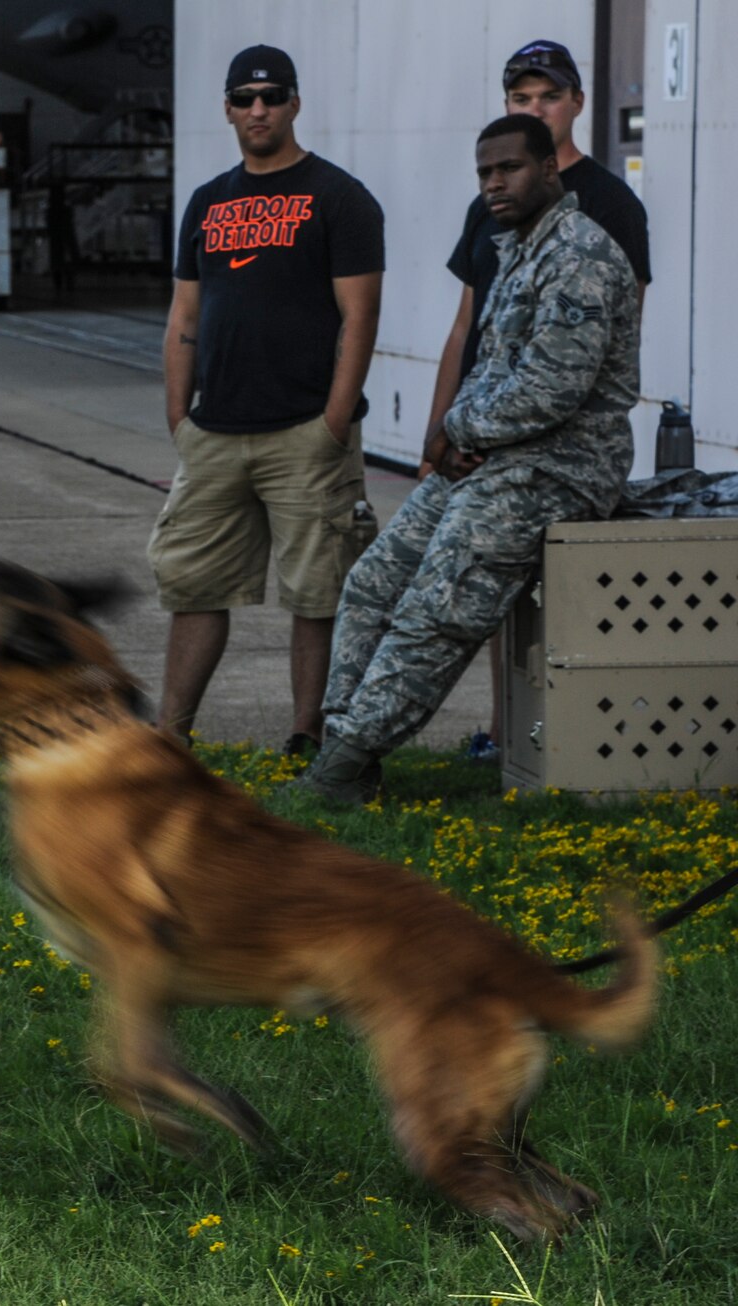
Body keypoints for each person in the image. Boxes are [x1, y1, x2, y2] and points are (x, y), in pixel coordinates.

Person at [299, 115, 640, 806]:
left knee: (437, 605)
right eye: (485, 172)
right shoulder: (514, 247)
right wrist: (456, 442)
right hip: (493, 459)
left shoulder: (579, 254)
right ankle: (346, 749)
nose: (494, 183)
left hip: (558, 470)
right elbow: (493, 369)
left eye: (509, 168)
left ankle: (339, 770)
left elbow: (552, 390)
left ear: (549, 170)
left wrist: (451, 427)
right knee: (372, 582)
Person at [149, 44, 383, 755]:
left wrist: (334, 423)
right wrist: (179, 418)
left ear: (294, 104)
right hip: (215, 433)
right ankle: (169, 739)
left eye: (272, 97)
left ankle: (305, 735)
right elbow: (183, 316)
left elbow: (359, 317)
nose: (259, 110)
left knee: (317, 593)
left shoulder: (339, 198)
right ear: (226, 108)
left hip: (306, 432)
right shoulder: (207, 202)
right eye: (245, 99)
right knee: (193, 586)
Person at [424, 39, 651, 762]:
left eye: (547, 97)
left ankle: (559, 735)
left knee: (546, 590)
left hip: (559, 442)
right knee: (483, 589)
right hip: (481, 428)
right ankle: (501, 727)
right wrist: (438, 428)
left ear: (577, 104)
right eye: (520, 99)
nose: (535, 109)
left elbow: (622, 325)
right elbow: (466, 323)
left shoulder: (611, 204)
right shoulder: (488, 197)